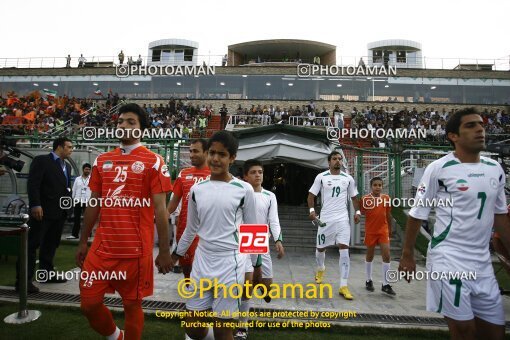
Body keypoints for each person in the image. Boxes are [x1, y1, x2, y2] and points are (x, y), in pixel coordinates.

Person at [399, 107, 510, 340]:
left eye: (481, 125)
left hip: (482, 264)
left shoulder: (495, 170)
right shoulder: (438, 168)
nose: (480, 129)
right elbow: (418, 213)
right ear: (453, 136)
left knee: (495, 333)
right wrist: (407, 254)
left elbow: (500, 217)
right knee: (464, 332)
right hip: (448, 259)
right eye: (470, 125)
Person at [76, 103, 173, 340]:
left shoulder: (154, 161)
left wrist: (164, 250)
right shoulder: (102, 160)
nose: (124, 125)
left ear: (141, 129)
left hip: (135, 252)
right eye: (121, 121)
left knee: (132, 306)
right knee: (88, 304)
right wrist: (82, 241)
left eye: (131, 122)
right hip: (101, 250)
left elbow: (161, 211)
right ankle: (115, 336)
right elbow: (93, 203)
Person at [169, 131, 257, 340]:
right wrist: (176, 254)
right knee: (194, 329)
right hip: (202, 262)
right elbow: (191, 228)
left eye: (222, 154)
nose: (216, 159)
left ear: (232, 158)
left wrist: (254, 266)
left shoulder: (244, 189)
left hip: (231, 264)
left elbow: (252, 229)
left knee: (223, 330)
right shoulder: (197, 189)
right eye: (213, 153)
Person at [16, 137, 74, 293]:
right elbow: (33, 184)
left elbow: (65, 189)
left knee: (51, 244)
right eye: (69, 147)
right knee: (32, 244)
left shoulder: (67, 167)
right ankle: (23, 281)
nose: (71, 150)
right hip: (42, 212)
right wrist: (35, 204)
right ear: (59, 147)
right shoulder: (42, 161)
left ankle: (46, 273)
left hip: (59, 212)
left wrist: (68, 209)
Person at [236, 159, 285, 340]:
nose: (258, 175)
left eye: (260, 172)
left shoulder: (270, 196)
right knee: (248, 288)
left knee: (266, 285)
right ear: (246, 177)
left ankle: (249, 289)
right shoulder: (241, 193)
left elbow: (274, 219)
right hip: (244, 240)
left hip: (261, 240)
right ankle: (243, 327)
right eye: (254, 172)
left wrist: (278, 240)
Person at [307, 151, 360, 300]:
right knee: (320, 248)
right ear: (329, 162)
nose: (338, 161)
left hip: (342, 219)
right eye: (335, 159)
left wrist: (358, 212)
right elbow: (311, 195)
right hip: (325, 220)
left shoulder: (348, 178)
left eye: (340, 159)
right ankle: (321, 268)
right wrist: (312, 210)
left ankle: (343, 285)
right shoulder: (321, 177)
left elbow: (354, 197)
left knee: (344, 249)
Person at [167, 139, 210, 280]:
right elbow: (173, 204)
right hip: (185, 231)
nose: (191, 155)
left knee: (203, 272)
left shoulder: (215, 174)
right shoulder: (183, 174)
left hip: (206, 233)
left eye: (196, 151)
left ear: (206, 152)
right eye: (190, 151)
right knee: (187, 270)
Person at [360, 177, 395, 295]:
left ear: (382, 186)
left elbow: (388, 214)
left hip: (383, 231)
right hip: (370, 231)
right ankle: (368, 280)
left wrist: (390, 229)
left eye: (380, 185)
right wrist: (357, 215)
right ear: (371, 186)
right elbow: (359, 211)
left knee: (387, 255)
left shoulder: (386, 198)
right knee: (370, 256)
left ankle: (386, 284)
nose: (377, 187)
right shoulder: (365, 199)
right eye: (375, 185)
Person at [67, 163, 91, 240]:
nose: (87, 171)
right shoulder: (77, 179)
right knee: (76, 218)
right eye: (86, 169)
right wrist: (73, 199)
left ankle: (88, 235)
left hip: (87, 200)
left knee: (87, 219)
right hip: (78, 200)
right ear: (83, 170)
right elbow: (74, 189)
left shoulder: (92, 179)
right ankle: (74, 234)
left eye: (89, 169)